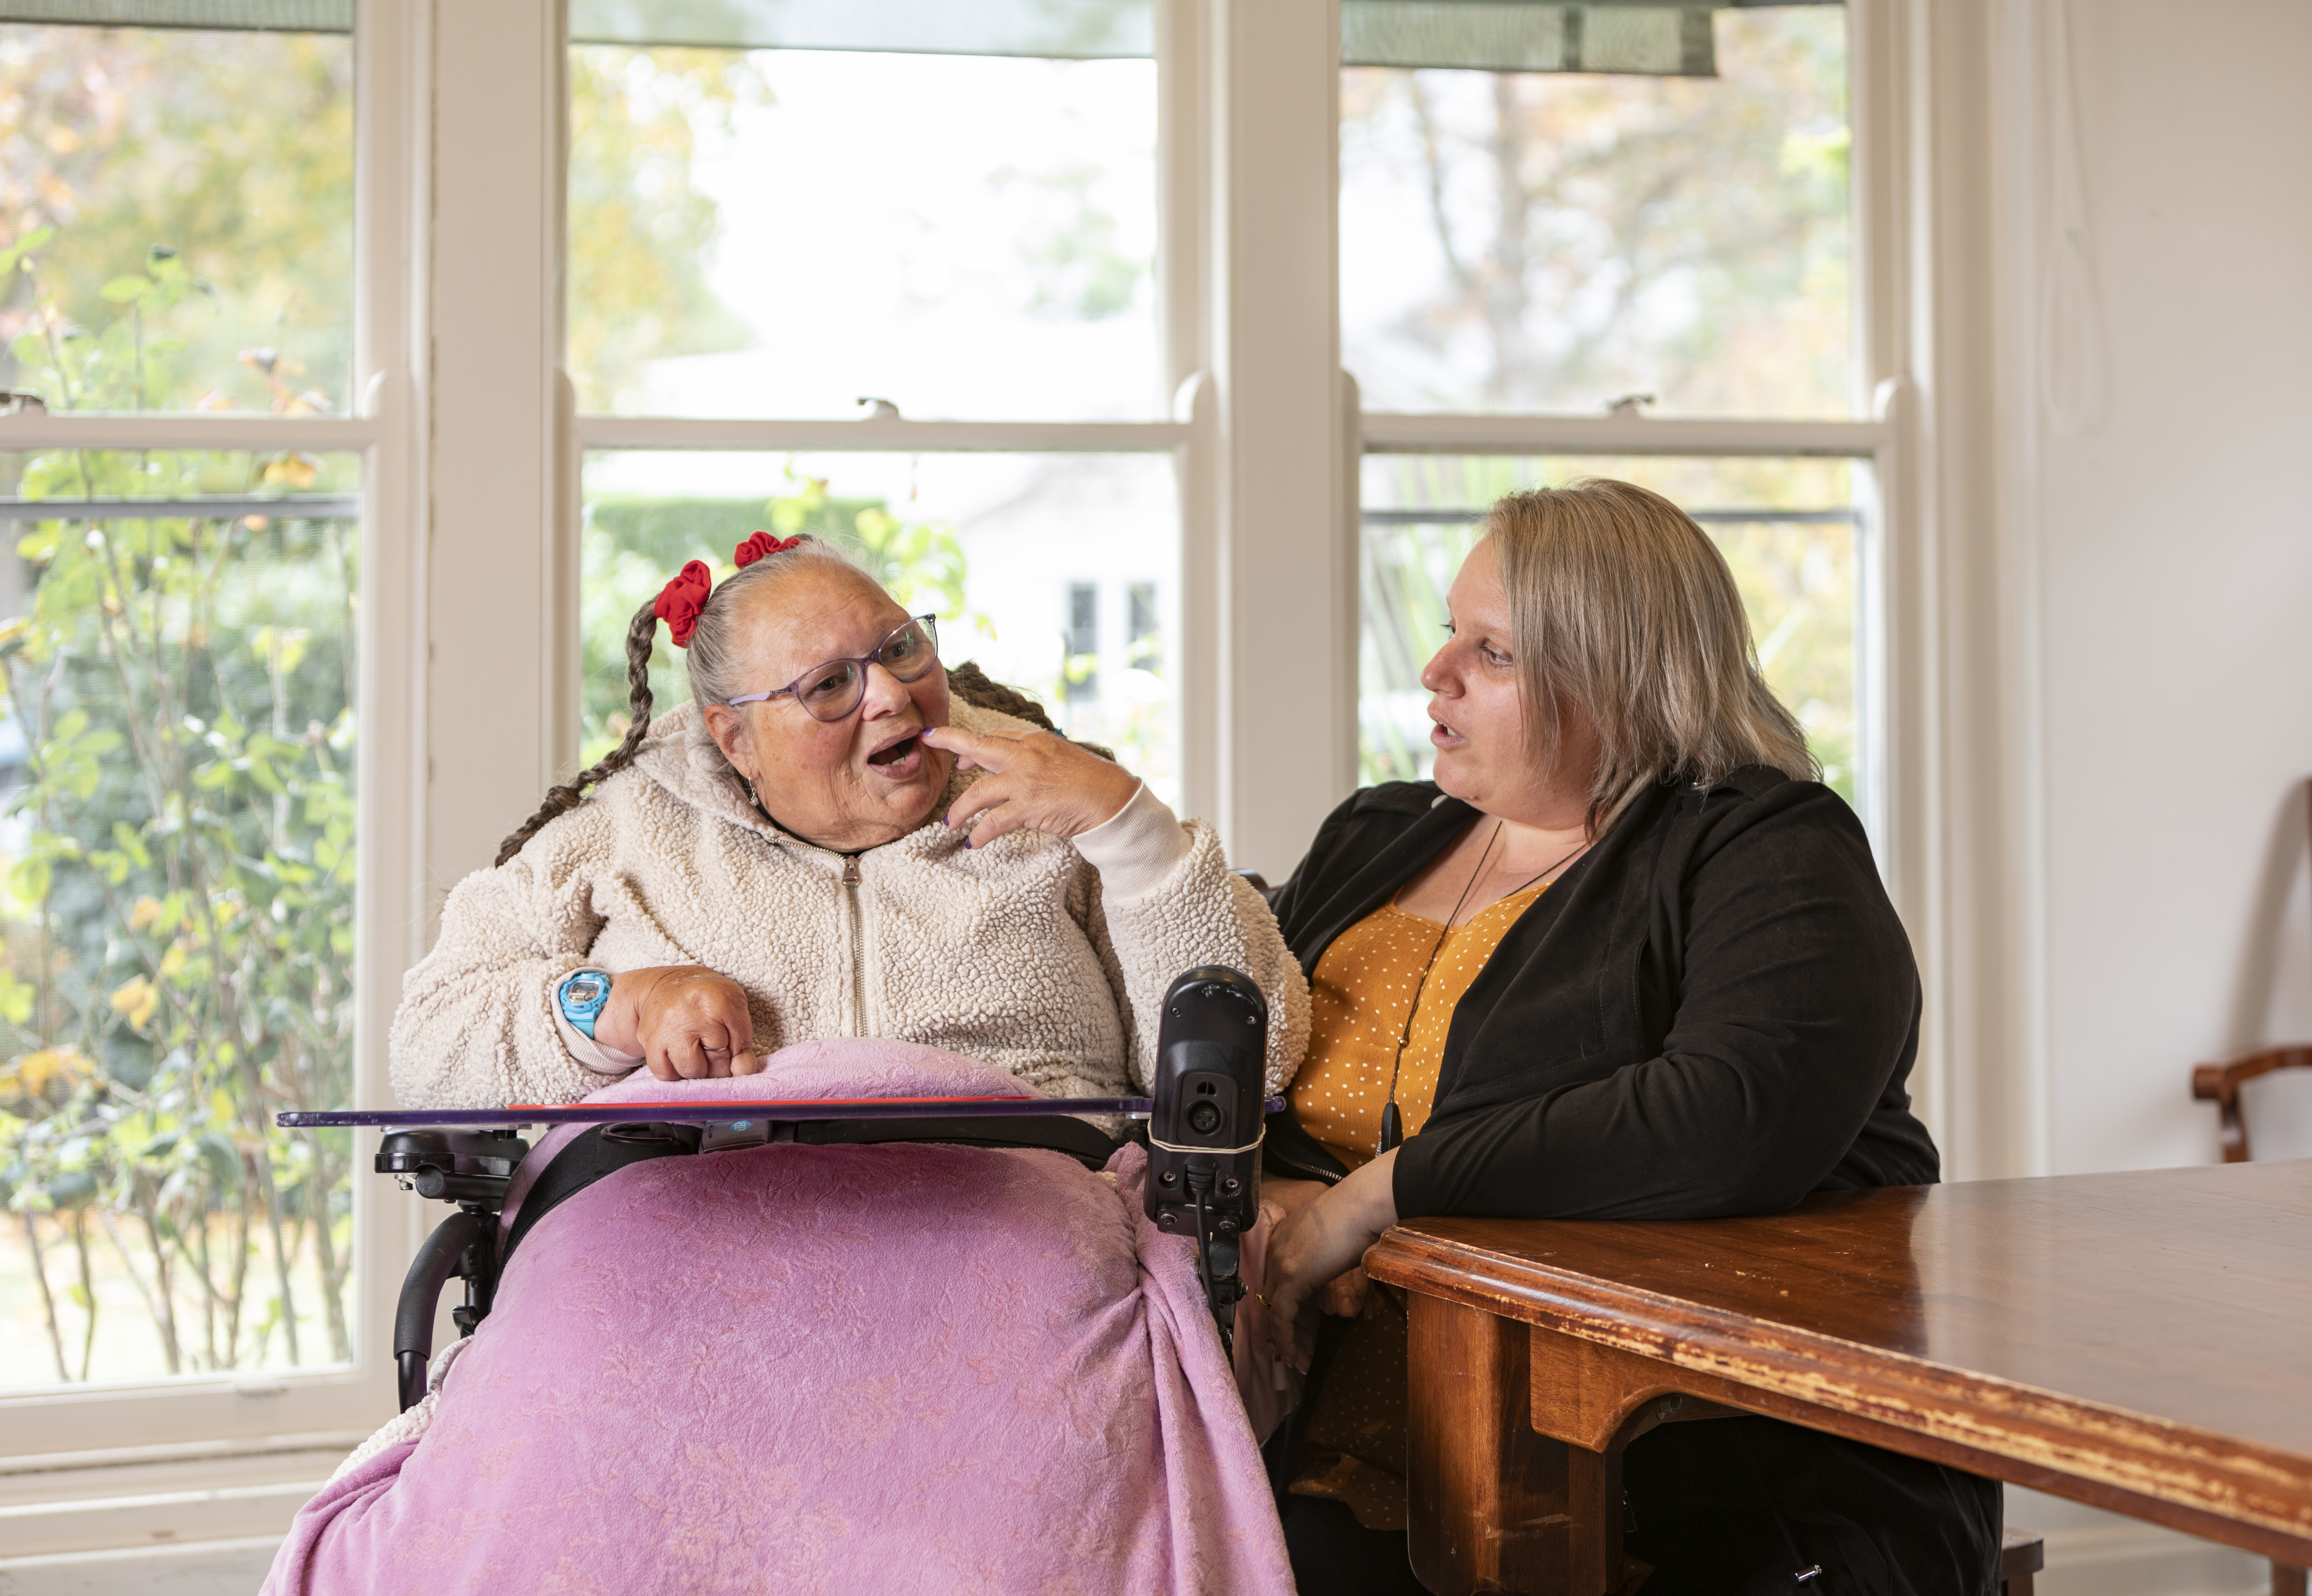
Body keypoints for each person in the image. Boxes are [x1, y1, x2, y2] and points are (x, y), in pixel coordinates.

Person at [1252, 480, 2000, 1595]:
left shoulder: (1766, 845)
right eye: (1450, 631)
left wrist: (1382, 1195)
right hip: (1340, 1472)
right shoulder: (1378, 835)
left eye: (1492, 652)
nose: (1437, 671)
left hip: (1670, 1496)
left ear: (1618, 675)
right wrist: (1271, 1183)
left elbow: (1727, 1114)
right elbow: (1245, 1055)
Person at [390, 530, 1306, 1108]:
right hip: (687, 1249)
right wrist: (619, 1006)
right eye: (829, 685)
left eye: (901, 648)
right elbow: (428, 1048)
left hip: (1021, 1246)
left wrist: (1129, 829)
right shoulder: (630, 828)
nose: (891, 697)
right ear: (736, 737)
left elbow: (1254, 1066)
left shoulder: (1059, 802)